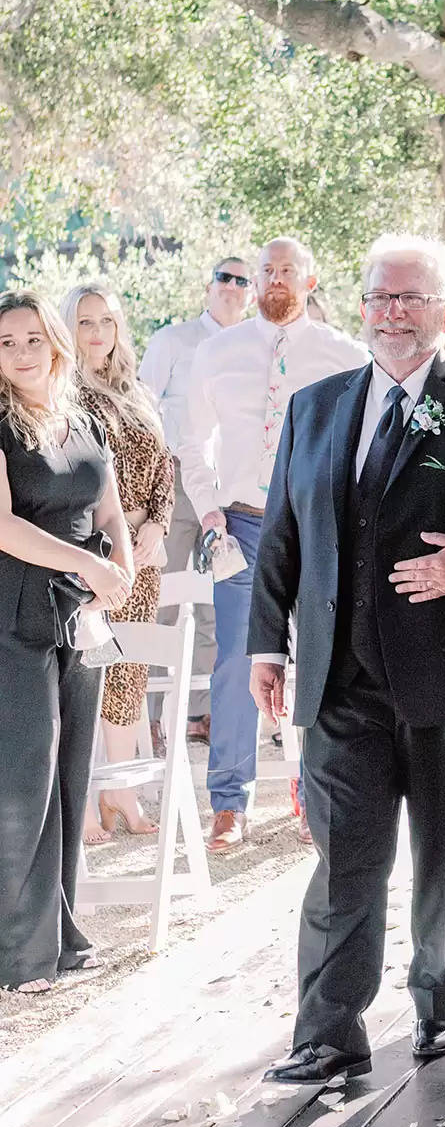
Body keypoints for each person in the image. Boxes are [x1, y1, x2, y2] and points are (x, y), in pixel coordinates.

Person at [249, 234, 445, 1086]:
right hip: (340, 681)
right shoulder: (316, 406)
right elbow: (283, 536)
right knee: (344, 860)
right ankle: (327, 1031)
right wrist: (267, 644)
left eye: (411, 299)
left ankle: (440, 1005)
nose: (392, 313)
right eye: (380, 296)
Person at [179, 237, 368, 852]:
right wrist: (210, 516)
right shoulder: (217, 353)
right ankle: (229, 803)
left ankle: (314, 797)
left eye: (288, 271)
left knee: (318, 659)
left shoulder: (345, 355)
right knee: (236, 658)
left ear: (310, 281)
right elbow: (191, 440)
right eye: (267, 271)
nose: (275, 281)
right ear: (255, 280)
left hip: (316, 526)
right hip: (239, 523)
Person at [0, 290, 133, 995]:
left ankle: (63, 938)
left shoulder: (84, 420)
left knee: (71, 774)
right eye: (5, 342)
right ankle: (22, 958)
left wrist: (123, 567)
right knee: (27, 778)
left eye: (31, 338)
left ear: (54, 341)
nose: (21, 353)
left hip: (81, 615)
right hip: (15, 610)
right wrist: (88, 563)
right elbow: (4, 527)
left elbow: (107, 508)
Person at [61, 284, 175, 843]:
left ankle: (121, 794)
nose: (98, 332)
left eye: (106, 320)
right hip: (90, 553)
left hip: (143, 556)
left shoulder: (137, 392)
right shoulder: (61, 393)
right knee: (86, 672)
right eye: (86, 322)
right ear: (69, 328)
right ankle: (80, 798)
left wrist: (156, 523)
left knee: (129, 669)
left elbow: (165, 469)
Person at [138, 256, 253, 751]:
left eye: (241, 280)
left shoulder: (253, 348)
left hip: (228, 493)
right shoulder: (173, 341)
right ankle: (146, 719)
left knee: (211, 604)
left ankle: (198, 714)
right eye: (223, 277)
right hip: (172, 482)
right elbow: (141, 406)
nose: (231, 286)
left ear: (250, 293)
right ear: (208, 286)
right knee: (160, 600)